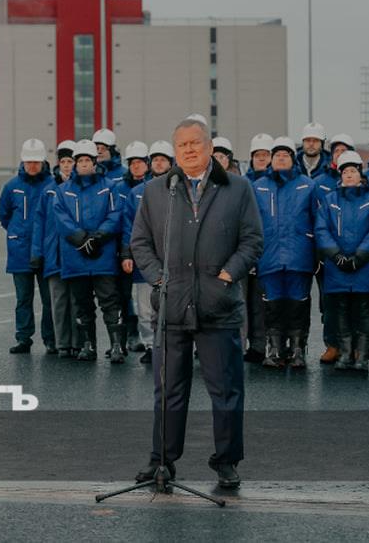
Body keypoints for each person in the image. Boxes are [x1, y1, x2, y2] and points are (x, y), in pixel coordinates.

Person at [130, 116, 263, 489]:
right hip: (171, 305)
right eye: (182, 144)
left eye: (195, 143)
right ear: (175, 150)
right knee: (168, 389)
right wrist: (159, 279)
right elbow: (140, 241)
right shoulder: (159, 191)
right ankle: (162, 458)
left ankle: (227, 460)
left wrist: (227, 276)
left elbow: (252, 240)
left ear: (210, 147)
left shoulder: (237, 188)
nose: (189, 150)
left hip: (218, 305)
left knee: (226, 389)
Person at [314, 151, 369, 371]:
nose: (349, 175)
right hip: (337, 265)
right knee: (340, 309)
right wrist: (336, 256)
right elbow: (321, 229)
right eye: (345, 171)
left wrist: (361, 256)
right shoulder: (330, 200)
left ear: (360, 174)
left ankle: (361, 355)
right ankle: (345, 353)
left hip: (365, 265)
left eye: (353, 171)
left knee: (364, 310)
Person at [55, 140, 124, 362]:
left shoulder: (109, 187)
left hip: (103, 254)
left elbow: (115, 214)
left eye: (88, 160)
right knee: (82, 303)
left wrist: (98, 238)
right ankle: (88, 345)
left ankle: (116, 346)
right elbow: (61, 219)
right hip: (76, 256)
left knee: (110, 300)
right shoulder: (62, 191)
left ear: (95, 162)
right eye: (80, 160)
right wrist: (81, 240)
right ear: (75, 163)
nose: (84, 164)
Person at [253, 136, 318, 369]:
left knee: (298, 303)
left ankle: (298, 349)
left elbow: (318, 220)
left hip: (299, 255)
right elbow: (251, 223)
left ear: (293, 159)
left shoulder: (307, 185)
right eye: (277, 155)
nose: (281, 158)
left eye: (286, 155)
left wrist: (317, 252)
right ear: (271, 159)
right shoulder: (259, 186)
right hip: (269, 255)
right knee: (272, 304)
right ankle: (275, 349)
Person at [0, 138, 55, 354]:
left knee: (49, 299)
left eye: (36, 162)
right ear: (23, 161)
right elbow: (4, 215)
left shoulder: (52, 185)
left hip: (46, 252)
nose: (32, 165)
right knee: (23, 298)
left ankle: (50, 339)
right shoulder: (12, 187)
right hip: (20, 251)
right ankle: (23, 338)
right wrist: (17, 233)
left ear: (43, 162)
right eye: (29, 162)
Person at [122, 140, 176, 364]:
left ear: (171, 163)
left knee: (174, 306)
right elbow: (128, 226)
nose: (159, 163)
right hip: (145, 259)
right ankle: (150, 345)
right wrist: (127, 254)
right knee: (145, 308)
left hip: (174, 258)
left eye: (163, 159)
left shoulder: (181, 190)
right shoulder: (137, 193)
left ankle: (173, 347)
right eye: (155, 160)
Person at [33, 140, 79, 358]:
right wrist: (37, 252)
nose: (67, 165)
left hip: (76, 254)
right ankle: (62, 343)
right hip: (54, 254)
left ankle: (77, 342)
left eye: (70, 161)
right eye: (64, 162)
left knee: (77, 301)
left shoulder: (80, 188)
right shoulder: (49, 191)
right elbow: (39, 224)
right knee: (58, 301)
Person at [113, 141, 151, 355]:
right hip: (121, 248)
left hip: (142, 250)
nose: (136, 166)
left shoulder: (152, 188)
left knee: (146, 298)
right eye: (132, 163)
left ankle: (146, 339)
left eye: (140, 162)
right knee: (122, 296)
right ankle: (125, 338)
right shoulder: (119, 188)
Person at [241, 133, 275, 363]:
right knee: (243, 302)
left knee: (261, 303)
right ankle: (243, 345)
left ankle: (260, 346)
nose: (261, 159)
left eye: (265, 155)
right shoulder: (243, 184)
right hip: (245, 250)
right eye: (257, 155)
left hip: (268, 252)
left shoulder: (276, 184)